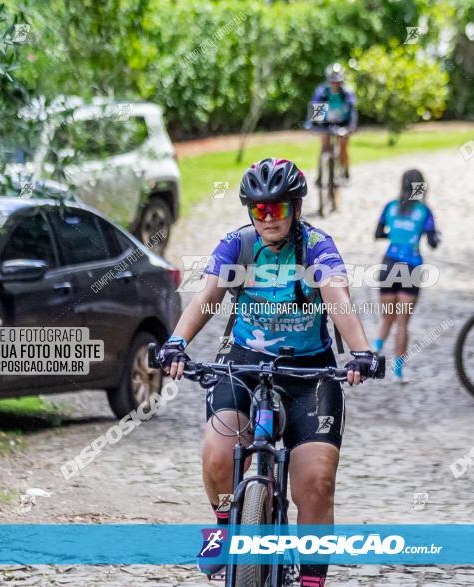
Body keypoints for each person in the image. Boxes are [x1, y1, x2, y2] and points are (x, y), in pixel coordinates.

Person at [158, 158, 384, 583]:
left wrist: (360, 351)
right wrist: (177, 342)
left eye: (276, 208)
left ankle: (312, 577)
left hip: (310, 373)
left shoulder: (316, 245)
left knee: (316, 482)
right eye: (259, 210)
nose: (267, 218)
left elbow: (338, 298)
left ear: (295, 208)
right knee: (218, 454)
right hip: (243, 364)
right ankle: (225, 528)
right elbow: (207, 298)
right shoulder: (238, 245)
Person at [373, 169, 440, 383]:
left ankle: (375, 349)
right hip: (411, 266)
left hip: (389, 263)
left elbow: (377, 233)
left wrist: (393, 234)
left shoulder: (390, 207)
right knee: (402, 324)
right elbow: (432, 242)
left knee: (386, 318)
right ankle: (398, 372)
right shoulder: (424, 211)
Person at [306, 63, 358, 181]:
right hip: (326, 122)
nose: (335, 84)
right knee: (324, 144)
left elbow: (353, 110)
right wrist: (311, 125)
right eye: (332, 81)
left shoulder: (347, 92)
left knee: (343, 143)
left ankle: (345, 170)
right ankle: (320, 174)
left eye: (338, 81)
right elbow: (316, 108)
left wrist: (352, 127)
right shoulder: (322, 91)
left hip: (343, 122)